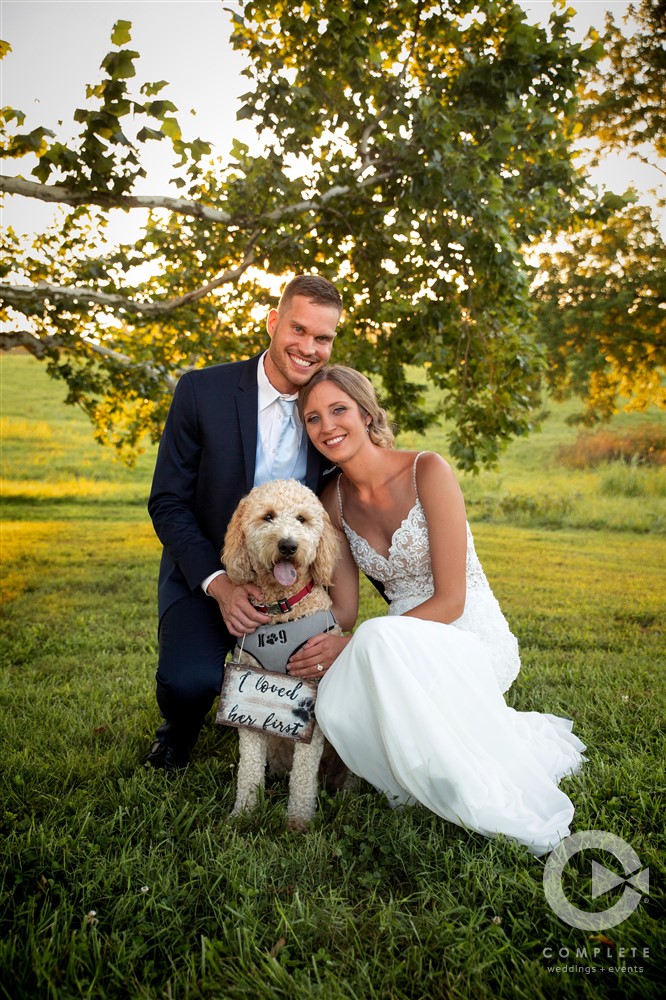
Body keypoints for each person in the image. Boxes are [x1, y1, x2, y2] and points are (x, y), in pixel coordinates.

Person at [287, 365, 585, 856]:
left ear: (365, 414)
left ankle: (464, 783)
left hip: (465, 628)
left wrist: (357, 643)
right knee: (337, 695)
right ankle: (424, 768)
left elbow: (452, 599)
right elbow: (344, 609)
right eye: (313, 418)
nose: (327, 426)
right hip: (395, 642)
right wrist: (303, 639)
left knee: (378, 641)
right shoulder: (331, 502)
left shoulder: (429, 470)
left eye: (338, 410)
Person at [145, 275, 343, 772]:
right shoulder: (201, 391)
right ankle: (179, 730)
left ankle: (304, 737)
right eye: (298, 330)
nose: (309, 348)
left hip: (296, 588)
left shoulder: (328, 409)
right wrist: (219, 586)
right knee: (188, 681)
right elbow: (167, 502)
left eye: (323, 338)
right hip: (211, 576)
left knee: (319, 674)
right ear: (273, 322)